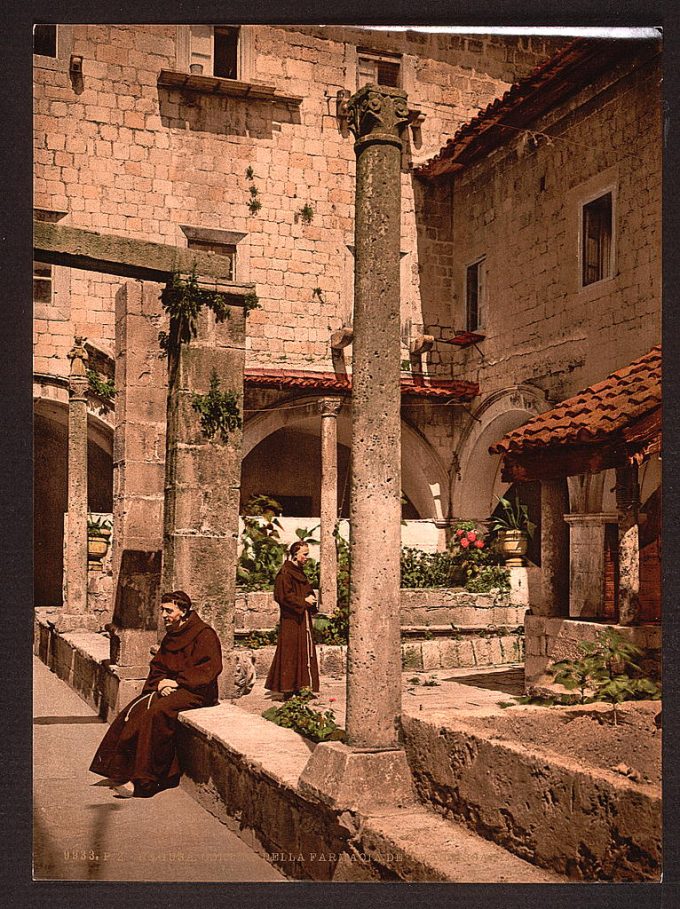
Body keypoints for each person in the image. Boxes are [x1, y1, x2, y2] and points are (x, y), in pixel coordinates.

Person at [90, 590, 222, 798]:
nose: (163, 615)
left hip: (196, 691)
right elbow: (159, 664)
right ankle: (121, 769)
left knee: (156, 714)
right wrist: (160, 683)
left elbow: (209, 669)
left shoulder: (204, 634)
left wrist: (177, 682)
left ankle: (144, 782)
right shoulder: (172, 633)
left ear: (184, 611)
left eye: (168, 610)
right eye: (162, 610)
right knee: (136, 709)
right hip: (170, 687)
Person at [264, 541, 320, 698]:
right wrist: (304, 601)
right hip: (291, 620)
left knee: (302, 651)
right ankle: (288, 689)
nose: (307, 557)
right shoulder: (285, 573)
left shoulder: (299, 572)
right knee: (290, 653)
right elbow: (283, 596)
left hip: (302, 618)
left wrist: (311, 600)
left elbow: (306, 590)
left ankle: (301, 687)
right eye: (305, 554)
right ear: (295, 554)